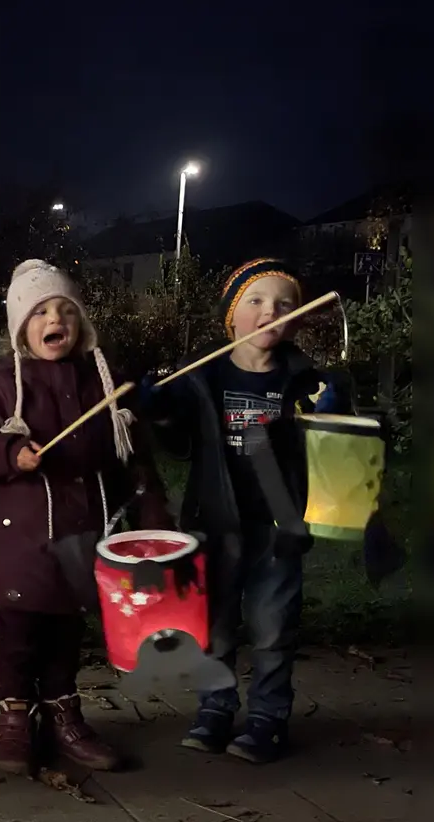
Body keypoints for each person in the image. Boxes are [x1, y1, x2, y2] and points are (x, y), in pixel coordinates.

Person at [0, 260, 169, 775]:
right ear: (21, 327)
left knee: (65, 628)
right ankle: (15, 715)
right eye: (41, 312)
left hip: (83, 529)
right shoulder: (3, 383)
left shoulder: (103, 380)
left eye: (66, 310)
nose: (56, 319)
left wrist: (153, 516)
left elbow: (134, 457)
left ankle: (63, 712)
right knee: (19, 629)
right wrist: (11, 454)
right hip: (22, 537)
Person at [136, 258, 347, 764]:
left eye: (283, 304)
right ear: (231, 316)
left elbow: (334, 452)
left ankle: (269, 718)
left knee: (273, 628)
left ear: (296, 320)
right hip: (216, 522)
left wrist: (332, 414)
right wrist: (157, 408)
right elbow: (179, 446)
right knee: (216, 625)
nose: (269, 311)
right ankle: (215, 707)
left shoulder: (304, 381)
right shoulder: (201, 377)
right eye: (255, 300)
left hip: (279, 523)